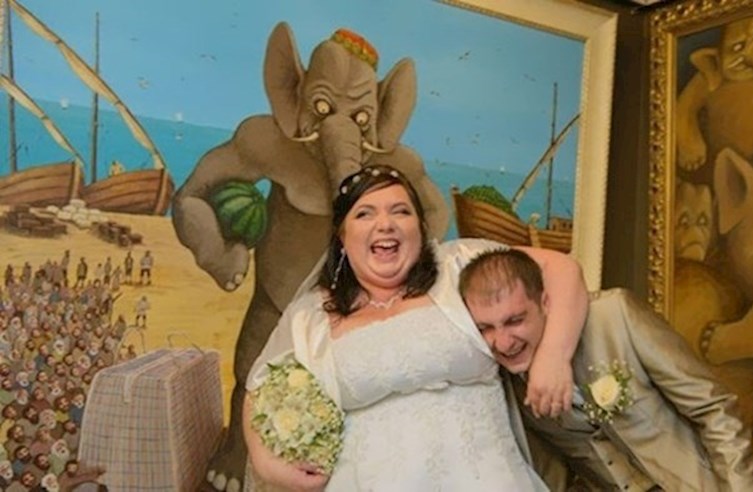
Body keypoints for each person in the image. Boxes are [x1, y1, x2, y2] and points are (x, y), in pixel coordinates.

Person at [243, 165, 589, 491]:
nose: (385, 224)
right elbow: (260, 388)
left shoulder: (461, 266)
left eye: (401, 211)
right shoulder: (311, 315)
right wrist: (265, 462)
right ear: (342, 238)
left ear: (420, 229)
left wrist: (554, 355)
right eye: (365, 214)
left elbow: (562, 270)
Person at [459, 249, 753, 491]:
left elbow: (714, 409)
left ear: (545, 303)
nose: (503, 342)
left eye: (514, 321)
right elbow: (559, 477)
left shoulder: (615, 317)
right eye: (485, 328)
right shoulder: (507, 385)